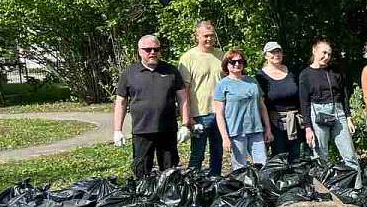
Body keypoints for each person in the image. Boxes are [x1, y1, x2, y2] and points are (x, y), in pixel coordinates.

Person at [113, 35, 190, 178]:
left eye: (156, 49)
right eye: (148, 50)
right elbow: (121, 102)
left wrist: (185, 125)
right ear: (139, 51)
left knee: (170, 171)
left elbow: (183, 98)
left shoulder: (171, 71)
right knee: (141, 170)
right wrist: (117, 130)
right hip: (142, 130)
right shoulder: (129, 73)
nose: (152, 53)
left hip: (167, 130)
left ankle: (168, 198)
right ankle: (144, 197)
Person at [299, 39, 359, 174]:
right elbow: (304, 102)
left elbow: (344, 95)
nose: (326, 57)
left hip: (338, 112)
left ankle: (357, 189)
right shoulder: (305, 74)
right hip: (318, 112)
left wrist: (348, 117)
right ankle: (322, 191)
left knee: (349, 154)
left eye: (329, 54)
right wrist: (308, 127)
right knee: (320, 156)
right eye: (324, 53)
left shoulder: (335, 72)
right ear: (314, 51)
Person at [177, 21, 225, 176]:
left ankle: (215, 181)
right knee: (198, 152)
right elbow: (184, 90)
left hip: (219, 113)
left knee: (217, 151)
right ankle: (192, 183)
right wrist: (187, 116)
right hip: (199, 115)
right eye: (206, 36)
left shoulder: (221, 55)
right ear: (197, 36)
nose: (209, 39)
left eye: (212, 36)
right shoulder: (188, 58)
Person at [213, 50, 273, 170]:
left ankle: (261, 188)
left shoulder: (252, 81)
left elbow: (262, 107)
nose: (237, 64)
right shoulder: (222, 85)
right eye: (233, 62)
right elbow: (219, 114)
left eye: (240, 61)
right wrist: (225, 137)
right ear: (226, 64)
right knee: (240, 168)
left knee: (263, 165)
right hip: (236, 132)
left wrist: (268, 129)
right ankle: (243, 189)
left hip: (256, 130)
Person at [255, 41, 302, 162]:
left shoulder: (292, 72)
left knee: (296, 157)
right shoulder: (260, 77)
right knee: (279, 158)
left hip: (295, 121)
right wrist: (266, 128)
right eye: (272, 52)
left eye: (278, 51)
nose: (276, 54)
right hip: (274, 122)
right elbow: (260, 104)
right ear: (266, 55)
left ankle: (296, 181)